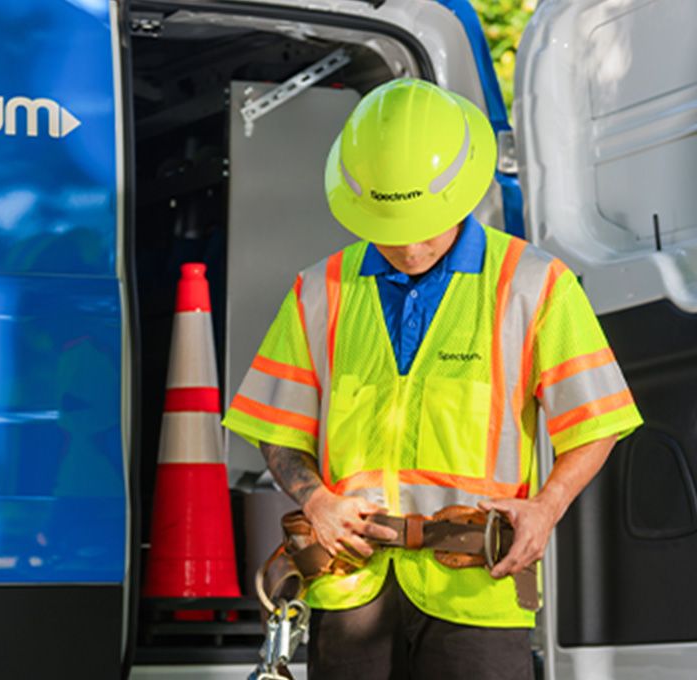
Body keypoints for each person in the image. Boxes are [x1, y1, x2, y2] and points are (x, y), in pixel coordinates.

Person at [222, 78, 643, 680]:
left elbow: (597, 420)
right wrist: (317, 502)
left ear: (461, 194)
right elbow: (276, 426)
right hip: (351, 584)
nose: (410, 244)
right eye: (392, 225)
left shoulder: (533, 284)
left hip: (477, 588)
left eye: (424, 223)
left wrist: (546, 508)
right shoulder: (320, 290)